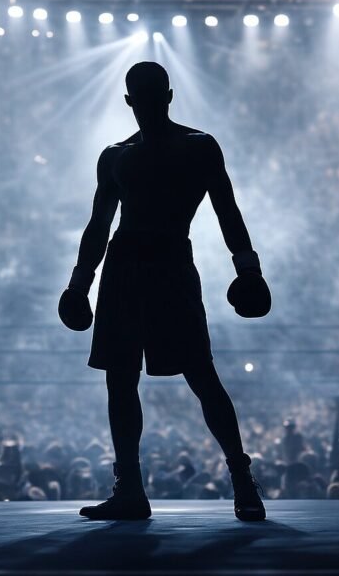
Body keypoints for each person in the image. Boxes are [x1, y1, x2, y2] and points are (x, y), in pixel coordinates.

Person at [59, 61, 271, 521]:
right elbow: (99, 225)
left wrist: (80, 285)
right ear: (161, 96)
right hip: (143, 265)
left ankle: (220, 480)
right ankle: (157, 487)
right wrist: (248, 270)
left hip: (156, 264)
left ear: (136, 100)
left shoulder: (179, 149)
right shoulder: (143, 152)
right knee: (144, 377)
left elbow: (226, 211)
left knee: (191, 374)